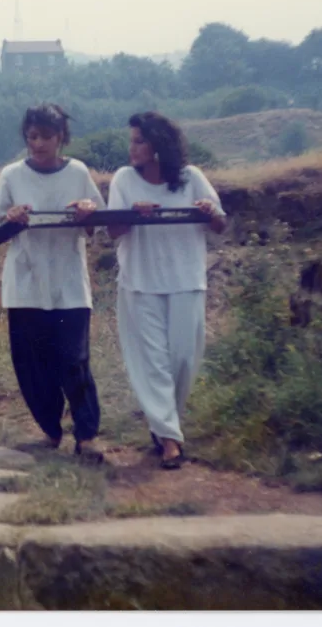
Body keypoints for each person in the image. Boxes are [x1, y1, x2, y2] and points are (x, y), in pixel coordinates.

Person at [107, 111, 226, 470]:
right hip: (141, 283)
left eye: (139, 141)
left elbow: (220, 224)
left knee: (183, 361)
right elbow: (113, 231)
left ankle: (163, 425)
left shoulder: (191, 179)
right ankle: (170, 440)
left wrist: (207, 211)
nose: (132, 148)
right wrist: (132, 214)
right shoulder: (124, 180)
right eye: (131, 140)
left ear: (159, 144)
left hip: (185, 280)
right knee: (154, 364)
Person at [0, 103, 107, 463]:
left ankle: (86, 434)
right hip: (26, 284)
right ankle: (51, 429)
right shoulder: (11, 176)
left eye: (45, 136)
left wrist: (87, 212)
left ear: (61, 138)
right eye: (32, 137)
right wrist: (11, 219)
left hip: (68, 283)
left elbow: (97, 223)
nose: (38, 144)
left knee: (74, 359)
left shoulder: (77, 172)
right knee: (32, 364)